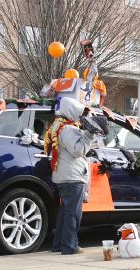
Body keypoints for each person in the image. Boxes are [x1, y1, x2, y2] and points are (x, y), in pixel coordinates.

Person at [45, 97, 94, 255]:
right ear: (72, 111)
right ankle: (70, 245)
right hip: (72, 177)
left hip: (63, 176)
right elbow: (78, 151)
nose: (81, 118)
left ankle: (58, 244)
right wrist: (89, 135)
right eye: (79, 113)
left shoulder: (58, 126)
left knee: (65, 213)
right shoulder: (67, 129)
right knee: (73, 213)